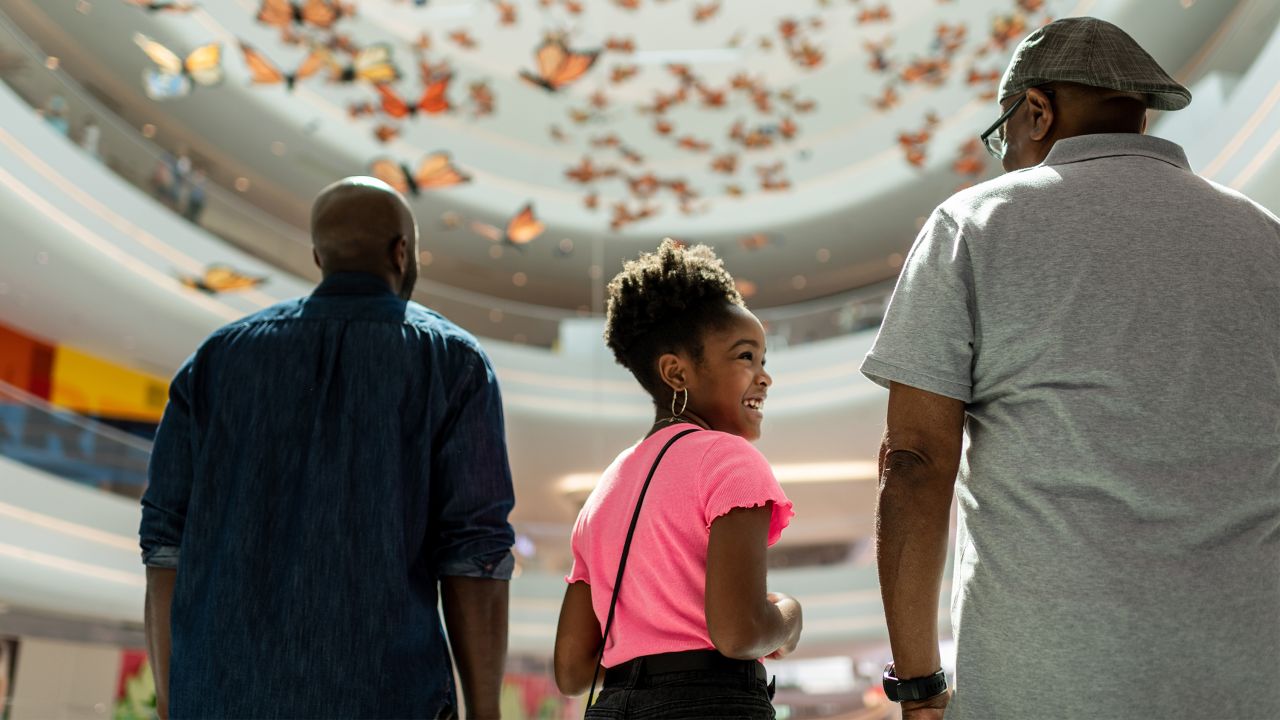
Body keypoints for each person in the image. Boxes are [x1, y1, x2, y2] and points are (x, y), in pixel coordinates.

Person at [862, 16, 1280, 720]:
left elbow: (916, 461)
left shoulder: (975, 225)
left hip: (1050, 681)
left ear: (1036, 111)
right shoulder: (1264, 237)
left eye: (1006, 136)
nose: (1006, 159)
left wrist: (920, 685)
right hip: (1253, 672)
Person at [140, 177, 516, 719]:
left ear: (318, 256)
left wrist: (175, 703)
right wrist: (485, 712)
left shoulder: (216, 361)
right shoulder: (452, 363)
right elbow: (474, 555)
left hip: (222, 698)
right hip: (386, 697)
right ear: (401, 252)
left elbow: (164, 546)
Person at [554, 239, 801, 719]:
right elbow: (740, 633)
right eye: (746, 356)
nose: (764, 376)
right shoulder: (729, 459)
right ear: (676, 373)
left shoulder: (604, 493)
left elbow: (571, 669)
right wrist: (789, 617)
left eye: (764, 360)